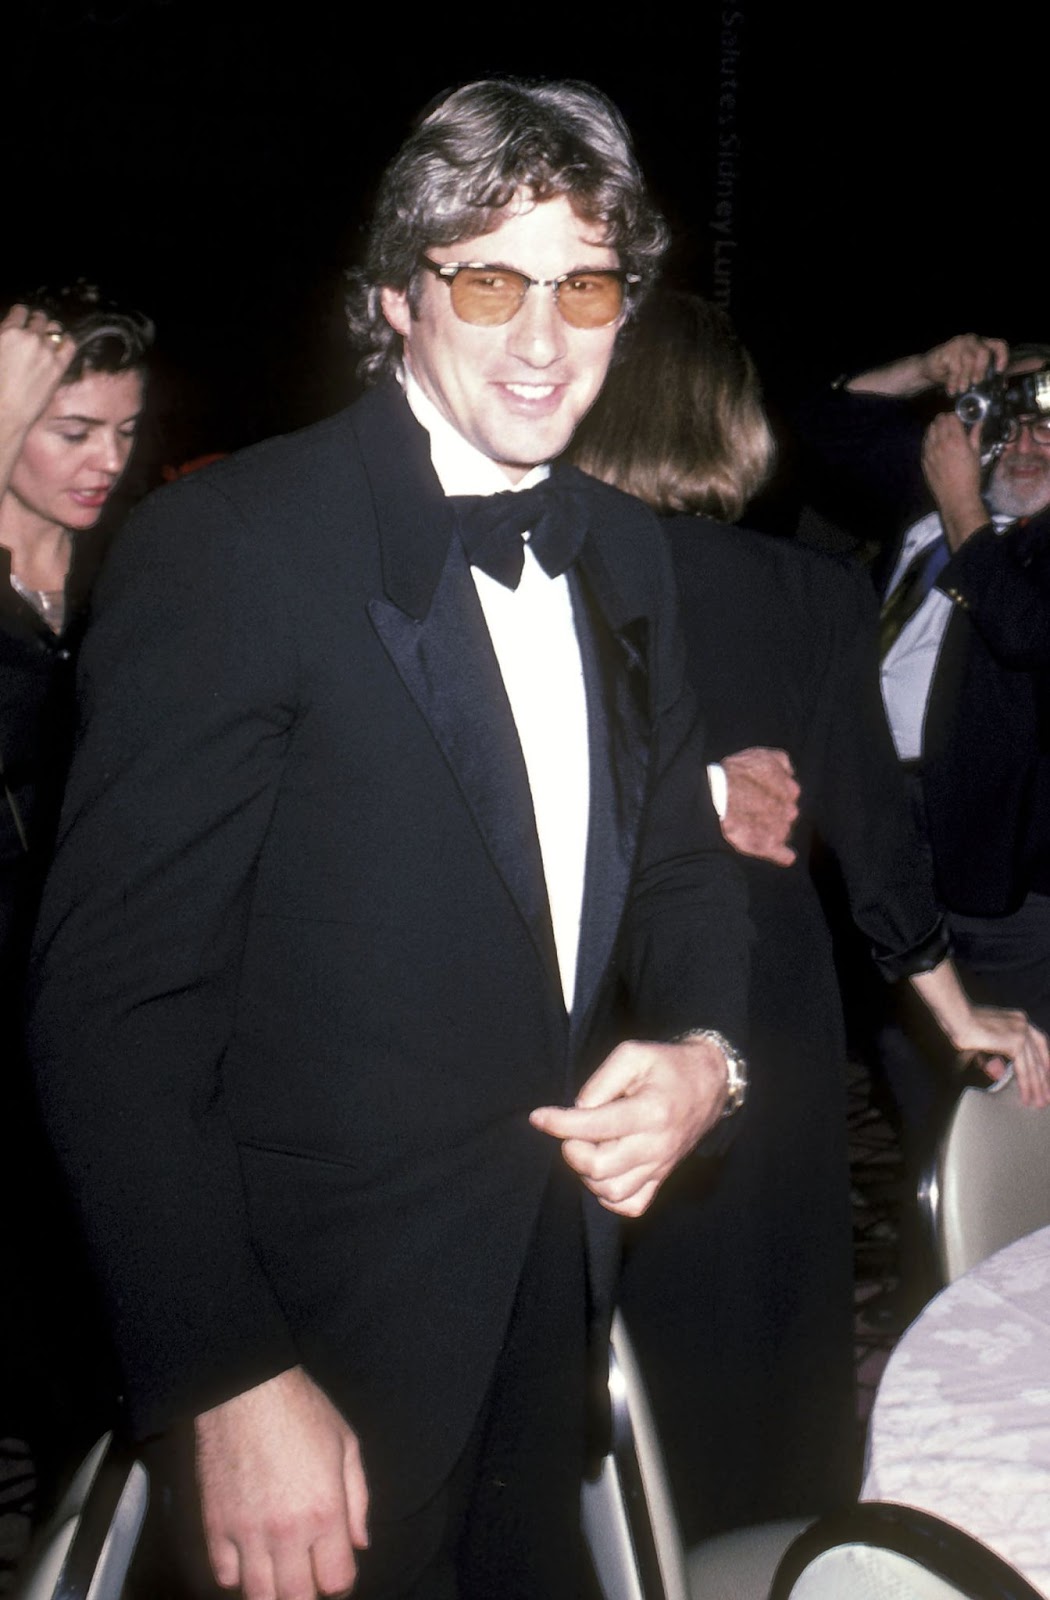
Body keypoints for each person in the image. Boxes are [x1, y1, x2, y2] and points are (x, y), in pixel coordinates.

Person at [27, 83, 750, 1600]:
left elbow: (684, 869)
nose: (543, 340)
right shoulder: (229, 549)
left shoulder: (625, 552)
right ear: (396, 300)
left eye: (585, 284)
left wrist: (705, 1057)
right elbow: (113, 1012)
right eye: (489, 282)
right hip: (313, 1350)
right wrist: (223, 1381)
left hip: (554, 1319)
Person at [569, 291, 1050, 1539]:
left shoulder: (539, 575)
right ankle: (761, 1542)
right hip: (755, 989)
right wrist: (958, 1015)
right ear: (729, 423)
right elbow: (883, 865)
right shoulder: (802, 590)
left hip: (579, 973)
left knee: (589, 1285)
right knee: (760, 1302)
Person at [803, 335, 1050, 1199]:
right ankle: (937, 1278)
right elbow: (820, 428)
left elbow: (1024, 632)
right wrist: (918, 372)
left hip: (1008, 882)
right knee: (920, 1095)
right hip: (889, 845)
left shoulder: (1012, 540)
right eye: (1008, 425)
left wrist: (963, 511)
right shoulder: (931, 503)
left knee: (1024, 1109)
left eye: (1049, 431)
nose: (1024, 446)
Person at [0, 284, 152, 1508]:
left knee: (101, 1369)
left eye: (124, 432)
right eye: (70, 431)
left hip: (99, 1004)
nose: (106, 461)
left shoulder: (130, 585)